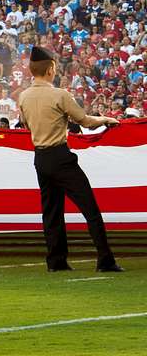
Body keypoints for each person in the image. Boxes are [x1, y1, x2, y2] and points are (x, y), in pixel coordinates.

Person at [17, 46, 123, 273]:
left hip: (40, 158)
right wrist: (106, 118)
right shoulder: (60, 95)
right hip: (60, 156)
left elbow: (26, 125)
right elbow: (85, 121)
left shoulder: (23, 97)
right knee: (89, 208)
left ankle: (56, 261)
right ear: (50, 69)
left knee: (51, 212)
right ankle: (105, 259)